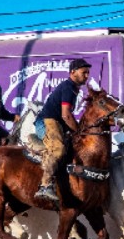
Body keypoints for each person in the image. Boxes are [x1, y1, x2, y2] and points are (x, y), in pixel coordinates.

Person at [33, 58, 92, 202]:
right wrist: (79, 131)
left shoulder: (73, 88)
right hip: (47, 122)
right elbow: (66, 115)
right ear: (73, 72)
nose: (86, 76)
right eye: (84, 72)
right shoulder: (68, 87)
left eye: (88, 73)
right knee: (58, 149)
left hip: (57, 123)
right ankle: (45, 186)